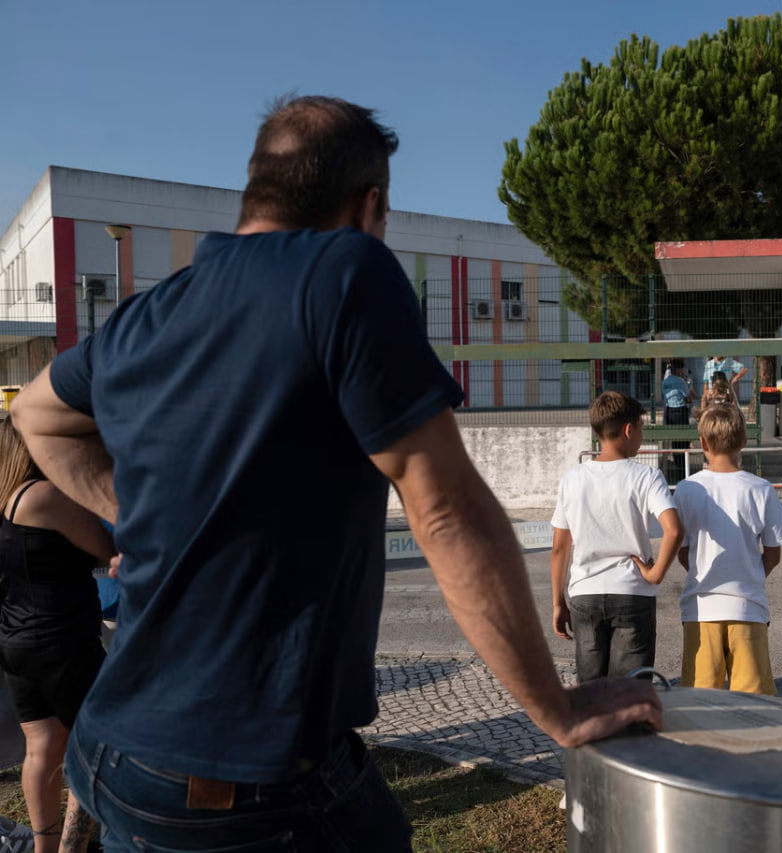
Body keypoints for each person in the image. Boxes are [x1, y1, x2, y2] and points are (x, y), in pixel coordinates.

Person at [10, 95, 660, 852]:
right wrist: (558, 707)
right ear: (370, 204)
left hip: (113, 753)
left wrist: (137, 513)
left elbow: (36, 414)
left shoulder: (148, 314)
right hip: (244, 779)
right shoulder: (346, 270)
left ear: (257, 191)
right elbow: (444, 509)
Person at [0, 419, 114, 853]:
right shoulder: (44, 496)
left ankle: (48, 850)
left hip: (17, 637)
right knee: (92, 745)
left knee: (42, 746)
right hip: (60, 640)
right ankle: (72, 848)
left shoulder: (8, 499)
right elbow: (105, 546)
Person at [551, 391, 683, 682]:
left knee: (593, 693)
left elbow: (560, 547)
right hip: (633, 593)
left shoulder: (573, 478)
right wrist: (656, 574)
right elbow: (673, 529)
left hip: (584, 594)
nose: (641, 436)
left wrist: (558, 602)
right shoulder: (647, 477)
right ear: (628, 429)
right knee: (630, 693)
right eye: (641, 429)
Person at [673, 404, 782, 694]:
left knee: (699, 698)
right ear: (744, 441)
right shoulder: (761, 489)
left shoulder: (687, 489)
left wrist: (701, 571)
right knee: (754, 700)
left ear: (701, 443)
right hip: (748, 606)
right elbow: (773, 552)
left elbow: (680, 550)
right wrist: (751, 573)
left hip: (700, 608)